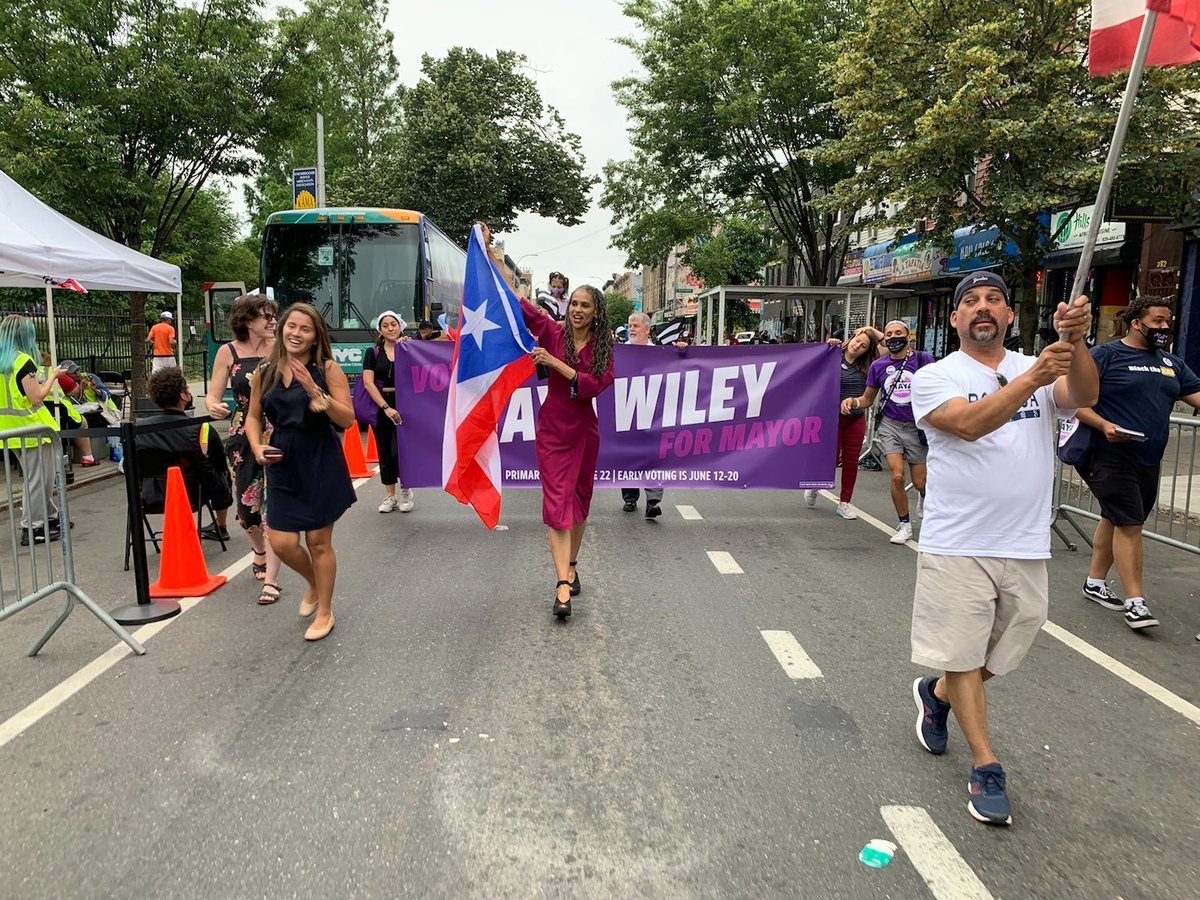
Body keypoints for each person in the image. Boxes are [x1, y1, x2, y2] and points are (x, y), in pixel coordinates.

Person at [908, 273, 1096, 826]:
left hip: (1025, 540)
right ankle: (986, 765)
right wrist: (1036, 372)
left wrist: (1077, 342)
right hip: (958, 541)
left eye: (993, 300)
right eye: (970, 302)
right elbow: (969, 425)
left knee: (1020, 632)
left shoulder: (1039, 366)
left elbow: (1082, 396)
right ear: (955, 319)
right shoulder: (936, 376)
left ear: (1010, 316)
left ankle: (937, 692)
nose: (982, 308)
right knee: (965, 653)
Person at [1073, 296, 1200, 630]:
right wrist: (1104, 425)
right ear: (1136, 323)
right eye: (1157, 321)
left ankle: (1095, 582)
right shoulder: (1106, 355)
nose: (1164, 327)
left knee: (1115, 518)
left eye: (1167, 322)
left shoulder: (1172, 363)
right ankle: (1136, 603)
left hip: (1149, 457)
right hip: (1109, 455)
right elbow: (1074, 401)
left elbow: (1196, 395)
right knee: (1129, 525)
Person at [245, 303, 356, 640]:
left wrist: (314, 390)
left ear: (314, 337)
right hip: (281, 459)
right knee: (280, 542)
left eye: (304, 329)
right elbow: (252, 416)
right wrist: (255, 445)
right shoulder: (264, 371)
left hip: (320, 459)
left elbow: (347, 419)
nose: (296, 333)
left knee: (318, 542)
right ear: (281, 329)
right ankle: (313, 582)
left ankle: (325, 610)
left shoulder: (328, 369)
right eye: (291, 326)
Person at [519, 282, 615, 620]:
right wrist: (487, 255)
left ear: (596, 312)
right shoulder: (551, 330)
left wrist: (556, 364)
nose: (577, 309)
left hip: (585, 431)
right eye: (574, 303)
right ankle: (561, 584)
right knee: (558, 502)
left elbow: (596, 384)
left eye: (585, 305)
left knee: (579, 503)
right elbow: (518, 304)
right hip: (552, 431)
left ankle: (572, 565)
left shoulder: (603, 347)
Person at [205, 293, 284, 604]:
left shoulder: (281, 347)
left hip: (278, 429)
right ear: (247, 320)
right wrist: (214, 406)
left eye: (273, 315)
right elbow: (213, 395)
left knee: (273, 503)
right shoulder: (228, 352)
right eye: (266, 316)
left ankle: (273, 577)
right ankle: (259, 549)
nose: (273, 321)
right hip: (242, 433)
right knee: (247, 508)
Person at [843, 320, 935, 544]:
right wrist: (853, 402)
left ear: (908, 337)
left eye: (898, 333)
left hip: (917, 427)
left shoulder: (924, 360)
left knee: (921, 482)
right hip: (890, 425)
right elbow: (867, 399)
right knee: (896, 474)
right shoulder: (879, 366)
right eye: (889, 334)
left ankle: (924, 497)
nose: (894, 338)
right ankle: (905, 525)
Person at [0, 315, 67, 544]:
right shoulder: (23, 361)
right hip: (34, 428)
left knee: (40, 479)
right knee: (39, 481)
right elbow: (36, 396)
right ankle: (33, 528)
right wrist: (53, 377)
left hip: (9, 430)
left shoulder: (3, 361)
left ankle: (49, 517)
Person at [140, 367, 233, 530]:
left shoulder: (139, 428)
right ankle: (221, 524)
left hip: (150, 495)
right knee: (223, 471)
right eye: (187, 390)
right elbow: (219, 463)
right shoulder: (200, 428)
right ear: (183, 395)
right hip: (192, 494)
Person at [806, 329, 879, 518]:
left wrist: (870, 331)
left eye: (864, 345)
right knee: (831, 458)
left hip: (855, 417)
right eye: (857, 340)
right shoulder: (834, 356)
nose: (858, 346)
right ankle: (816, 484)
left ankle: (845, 502)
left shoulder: (869, 365)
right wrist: (827, 346)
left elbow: (887, 343)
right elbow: (811, 367)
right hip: (832, 417)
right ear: (851, 338)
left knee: (851, 462)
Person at [361, 310, 415, 514]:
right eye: (386, 325)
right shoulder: (373, 353)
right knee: (385, 452)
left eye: (394, 324)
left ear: (400, 326)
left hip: (406, 404)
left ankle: (405, 491)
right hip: (381, 405)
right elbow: (368, 383)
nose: (390, 328)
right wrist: (386, 407)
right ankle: (390, 495)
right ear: (380, 330)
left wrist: (410, 346)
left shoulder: (409, 348)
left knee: (400, 451)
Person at [620, 312, 664, 519]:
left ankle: (653, 500)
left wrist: (683, 350)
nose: (632, 329)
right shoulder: (620, 351)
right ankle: (630, 497)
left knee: (652, 456)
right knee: (628, 456)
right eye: (630, 325)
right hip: (627, 412)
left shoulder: (661, 352)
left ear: (647, 329)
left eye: (636, 325)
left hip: (653, 414)